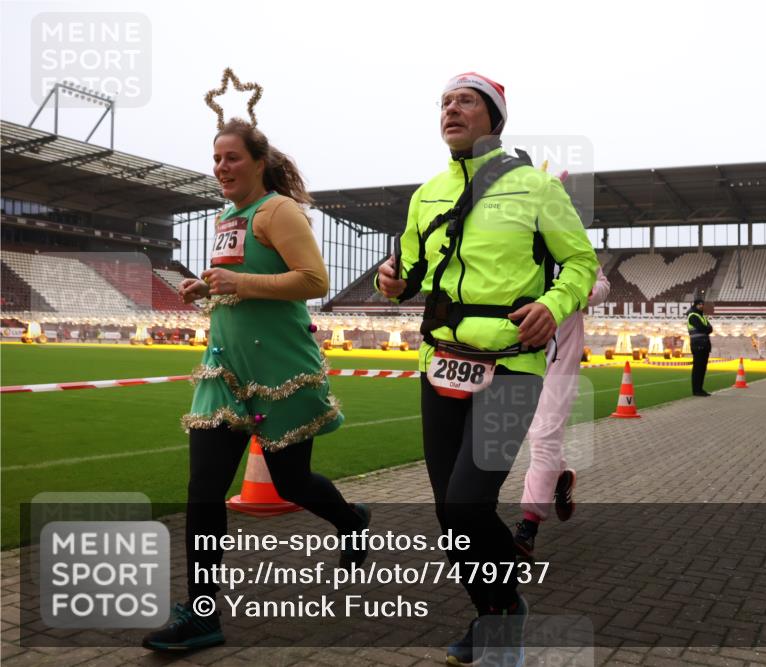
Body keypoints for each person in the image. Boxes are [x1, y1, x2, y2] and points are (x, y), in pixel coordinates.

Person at [375, 72, 597, 666]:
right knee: (451, 514)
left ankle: (504, 610)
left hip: (510, 368)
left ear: (494, 117)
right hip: (439, 364)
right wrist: (389, 280)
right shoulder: (426, 195)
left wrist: (552, 305)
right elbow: (410, 274)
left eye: (465, 101)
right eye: (444, 102)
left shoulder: (536, 188)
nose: (451, 109)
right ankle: (495, 611)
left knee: (469, 504)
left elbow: (580, 262)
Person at [143, 119, 369, 652]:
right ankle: (202, 614)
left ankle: (351, 519)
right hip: (224, 372)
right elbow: (238, 282)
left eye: (232, 158)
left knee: (292, 484)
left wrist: (239, 282)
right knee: (204, 489)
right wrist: (206, 287)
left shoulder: (278, 211)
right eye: (216, 158)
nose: (221, 167)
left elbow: (314, 280)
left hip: (280, 371)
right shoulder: (228, 216)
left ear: (258, 162)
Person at [513, 266, 610, 561]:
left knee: (544, 434)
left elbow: (603, 283)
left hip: (560, 352)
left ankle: (528, 528)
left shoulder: (569, 237)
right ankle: (560, 475)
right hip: (513, 351)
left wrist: (586, 293)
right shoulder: (511, 236)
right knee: (533, 431)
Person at [687, 298, 713, 396]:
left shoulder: (702, 316)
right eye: (699, 304)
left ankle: (700, 389)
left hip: (704, 345)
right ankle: (696, 390)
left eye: (702, 304)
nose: (701, 306)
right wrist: (706, 329)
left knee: (702, 368)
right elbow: (703, 328)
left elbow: (710, 329)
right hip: (697, 345)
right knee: (698, 368)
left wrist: (706, 329)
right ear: (695, 305)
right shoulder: (693, 316)